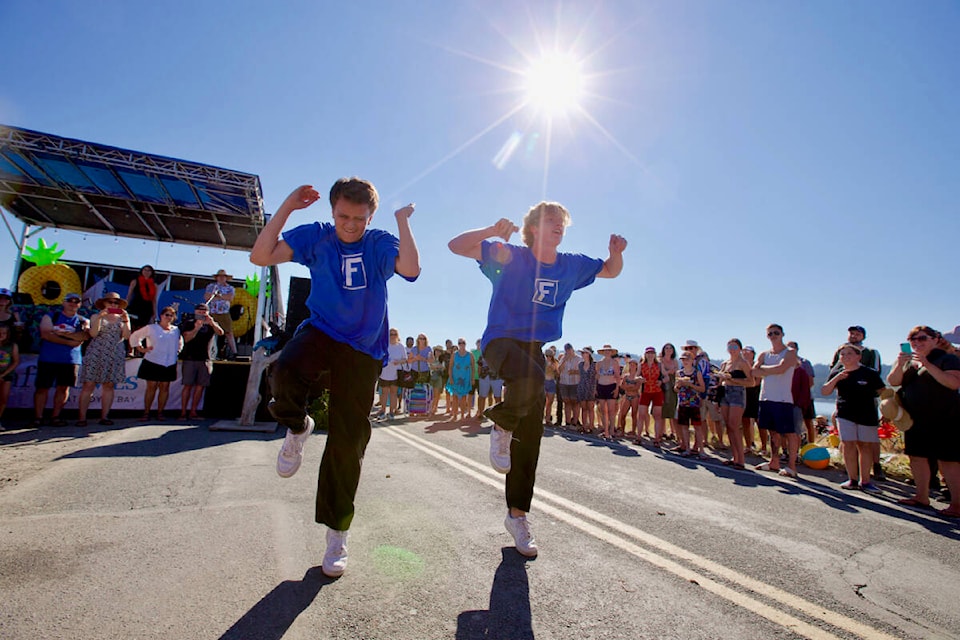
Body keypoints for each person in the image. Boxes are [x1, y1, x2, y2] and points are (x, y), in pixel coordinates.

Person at [250, 179, 419, 578]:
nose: (349, 225)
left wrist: (401, 223)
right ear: (332, 211)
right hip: (323, 330)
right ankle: (296, 426)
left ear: (370, 216)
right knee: (285, 371)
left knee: (348, 442)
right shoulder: (317, 236)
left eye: (359, 219)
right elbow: (261, 256)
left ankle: (337, 532)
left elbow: (411, 269)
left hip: (363, 348)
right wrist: (288, 206)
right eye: (343, 216)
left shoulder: (377, 241)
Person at [448, 200, 626, 557]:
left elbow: (610, 271)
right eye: (550, 221)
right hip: (499, 340)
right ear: (533, 228)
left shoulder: (571, 265)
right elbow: (456, 246)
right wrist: (489, 232)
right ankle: (500, 423)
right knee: (531, 379)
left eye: (562, 222)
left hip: (534, 348)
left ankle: (518, 516)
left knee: (530, 437)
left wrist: (616, 252)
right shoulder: (510, 255)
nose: (558, 225)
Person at [887, 326, 960, 517]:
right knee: (917, 457)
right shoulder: (909, 361)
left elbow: (953, 383)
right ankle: (922, 496)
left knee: (948, 461)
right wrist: (899, 364)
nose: (917, 343)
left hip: (946, 417)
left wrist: (927, 364)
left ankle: (957, 504)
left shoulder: (947, 358)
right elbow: (893, 381)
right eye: (913, 340)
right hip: (915, 418)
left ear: (935, 339)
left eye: (922, 339)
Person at [821, 343, 886, 492]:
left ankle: (866, 481)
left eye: (849, 354)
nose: (845, 357)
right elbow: (825, 391)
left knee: (865, 446)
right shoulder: (837, 373)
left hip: (867, 414)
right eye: (842, 354)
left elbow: (883, 392)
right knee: (848, 445)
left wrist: (886, 411)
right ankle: (852, 479)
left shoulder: (869, 373)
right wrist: (837, 378)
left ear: (858, 356)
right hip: (845, 414)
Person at [31, 292, 89, 427]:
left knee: (63, 389)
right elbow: (45, 333)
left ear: (80, 304)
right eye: (70, 300)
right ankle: (38, 417)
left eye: (77, 301)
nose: (73, 303)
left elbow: (85, 336)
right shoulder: (51, 316)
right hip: (48, 358)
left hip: (70, 360)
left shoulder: (83, 320)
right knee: (42, 388)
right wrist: (70, 340)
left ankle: (56, 416)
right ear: (63, 302)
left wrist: (58, 334)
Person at [76, 292, 132, 427]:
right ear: (104, 304)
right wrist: (100, 317)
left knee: (109, 385)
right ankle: (82, 417)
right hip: (96, 352)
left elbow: (126, 335)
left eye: (116, 303)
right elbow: (93, 334)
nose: (113, 305)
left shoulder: (122, 318)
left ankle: (104, 416)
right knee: (89, 384)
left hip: (114, 353)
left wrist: (126, 320)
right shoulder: (96, 316)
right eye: (110, 302)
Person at [752, 324, 801, 477]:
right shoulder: (764, 354)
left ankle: (792, 466)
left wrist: (764, 369)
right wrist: (771, 369)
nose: (773, 335)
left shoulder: (790, 352)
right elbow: (754, 371)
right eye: (770, 333)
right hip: (766, 397)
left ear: (782, 334)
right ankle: (774, 461)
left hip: (783, 399)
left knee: (789, 433)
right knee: (772, 431)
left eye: (776, 333)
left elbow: (782, 369)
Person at [129, 306, 183, 421]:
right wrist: (141, 348)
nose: (168, 317)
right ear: (161, 316)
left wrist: (177, 351)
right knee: (151, 387)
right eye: (166, 315)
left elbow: (180, 342)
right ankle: (146, 412)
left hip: (169, 362)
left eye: (171, 315)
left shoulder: (176, 330)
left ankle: (160, 412)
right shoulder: (151, 328)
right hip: (153, 360)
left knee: (164, 387)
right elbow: (135, 336)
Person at [177, 302, 224, 420]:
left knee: (200, 386)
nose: (202, 315)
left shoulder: (210, 324)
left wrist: (212, 323)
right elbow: (186, 339)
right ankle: (183, 412)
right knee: (187, 385)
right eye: (199, 312)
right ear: (195, 312)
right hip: (190, 358)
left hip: (205, 358)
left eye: (204, 312)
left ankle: (193, 411)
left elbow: (221, 333)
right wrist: (196, 328)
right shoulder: (189, 323)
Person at [718, 339, 753, 469]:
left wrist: (733, 379)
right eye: (730, 346)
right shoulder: (724, 363)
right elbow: (720, 381)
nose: (732, 349)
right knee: (728, 426)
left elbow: (751, 382)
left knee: (734, 425)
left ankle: (741, 460)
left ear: (739, 348)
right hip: (725, 393)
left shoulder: (743, 363)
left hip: (737, 393)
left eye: (734, 346)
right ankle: (734, 456)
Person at [675, 350, 705, 457]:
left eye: (687, 359)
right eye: (683, 359)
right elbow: (676, 389)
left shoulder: (697, 373)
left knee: (697, 427)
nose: (685, 362)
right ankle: (687, 448)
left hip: (694, 403)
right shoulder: (679, 373)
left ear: (692, 360)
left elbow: (702, 388)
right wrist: (679, 385)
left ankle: (701, 450)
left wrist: (690, 385)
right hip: (683, 403)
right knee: (684, 426)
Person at [787, 340, 817, 445]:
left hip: (806, 397)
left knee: (808, 421)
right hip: (789, 398)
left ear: (797, 349)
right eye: (788, 348)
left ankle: (811, 445)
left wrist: (801, 395)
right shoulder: (783, 362)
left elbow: (810, 382)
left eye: (792, 347)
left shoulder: (805, 362)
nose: (790, 350)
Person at [205, 269, 237, 360]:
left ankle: (235, 352)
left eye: (223, 276)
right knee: (210, 333)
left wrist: (218, 296)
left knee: (228, 332)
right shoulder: (211, 286)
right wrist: (219, 296)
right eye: (220, 276)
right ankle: (208, 352)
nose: (222, 278)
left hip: (224, 312)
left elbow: (229, 298)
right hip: (212, 312)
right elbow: (207, 297)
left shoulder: (230, 288)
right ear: (217, 278)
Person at [376, 328, 407, 420]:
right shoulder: (384, 345)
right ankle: (382, 411)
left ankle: (391, 412)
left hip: (395, 373)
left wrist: (398, 362)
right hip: (384, 372)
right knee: (384, 393)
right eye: (391, 334)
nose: (393, 336)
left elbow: (405, 359)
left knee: (393, 393)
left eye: (394, 334)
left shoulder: (400, 346)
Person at [638, 346, 664, 443]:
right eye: (648, 353)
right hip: (645, 391)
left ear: (655, 354)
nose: (650, 355)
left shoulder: (659, 365)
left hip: (657, 391)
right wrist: (640, 379)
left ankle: (657, 438)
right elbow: (637, 376)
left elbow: (666, 377)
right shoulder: (641, 365)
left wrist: (661, 381)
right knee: (641, 415)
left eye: (652, 353)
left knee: (657, 416)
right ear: (645, 354)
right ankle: (638, 437)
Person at [595, 345, 621, 439]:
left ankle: (611, 430)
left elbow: (618, 376)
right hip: (601, 386)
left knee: (611, 410)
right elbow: (597, 376)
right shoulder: (599, 363)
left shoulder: (614, 363)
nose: (607, 352)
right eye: (605, 351)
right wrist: (595, 388)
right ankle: (605, 430)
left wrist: (617, 388)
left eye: (609, 351)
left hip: (611, 386)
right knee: (603, 410)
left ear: (611, 352)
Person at [447, 338, 475, 421]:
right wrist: (451, 378)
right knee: (454, 397)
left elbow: (473, 367)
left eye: (463, 343)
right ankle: (455, 415)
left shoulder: (470, 355)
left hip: (465, 379)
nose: (461, 344)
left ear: (465, 344)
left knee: (463, 398)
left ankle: (462, 415)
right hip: (455, 378)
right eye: (460, 343)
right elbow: (450, 366)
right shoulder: (454, 354)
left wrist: (472, 378)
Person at [125, 265, 159, 333]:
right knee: (132, 326)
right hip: (136, 306)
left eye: (149, 270)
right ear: (142, 271)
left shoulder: (154, 285)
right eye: (145, 270)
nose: (147, 272)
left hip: (147, 308)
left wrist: (155, 313)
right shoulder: (135, 281)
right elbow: (129, 295)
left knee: (142, 328)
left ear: (152, 272)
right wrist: (125, 306)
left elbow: (154, 300)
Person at [741, 346, 762, 455]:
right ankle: (748, 445)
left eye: (748, 351)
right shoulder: (741, 365)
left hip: (756, 396)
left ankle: (763, 447)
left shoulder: (756, 365)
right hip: (744, 396)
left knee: (760, 422)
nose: (745, 353)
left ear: (753, 353)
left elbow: (757, 382)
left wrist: (743, 382)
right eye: (743, 351)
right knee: (745, 421)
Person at [0, 324, 20, 431]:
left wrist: (3, 375)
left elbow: (15, 361)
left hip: (6, 375)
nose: (1, 335)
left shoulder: (12, 346)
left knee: (3, 398)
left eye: (4, 333)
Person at [617, 359, 642, 442]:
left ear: (636, 366)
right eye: (630, 364)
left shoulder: (638, 378)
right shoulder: (626, 376)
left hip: (635, 397)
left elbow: (636, 388)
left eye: (633, 364)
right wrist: (630, 387)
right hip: (627, 396)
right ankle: (622, 431)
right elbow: (622, 385)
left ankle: (633, 431)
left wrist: (628, 386)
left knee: (634, 415)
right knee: (623, 414)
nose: (632, 366)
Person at [558, 343, 581, 428]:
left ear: (572, 349)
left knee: (575, 403)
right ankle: (567, 422)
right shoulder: (563, 358)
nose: (568, 351)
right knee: (567, 402)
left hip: (575, 382)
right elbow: (559, 370)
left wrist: (574, 371)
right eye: (566, 350)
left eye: (569, 350)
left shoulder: (578, 359)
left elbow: (583, 371)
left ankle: (574, 422)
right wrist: (564, 360)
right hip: (564, 382)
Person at [577, 347, 598, 434]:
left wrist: (596, 389)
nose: (582, 355)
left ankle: (591, 426)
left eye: (584, 353)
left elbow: (596, 377)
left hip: (591, 387)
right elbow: (579, 376)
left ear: (588, 354)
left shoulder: (594, 365)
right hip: (582, 386)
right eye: (582, 353)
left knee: (590, 408)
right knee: (584, 408)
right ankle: (584, 425)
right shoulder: (580, 364)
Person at [660, 343, 679, 440]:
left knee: (672, 407)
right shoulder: (661, 360)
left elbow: (677, 372)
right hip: (663, 385)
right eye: (666, 348)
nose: (668, 350)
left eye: (670, 348)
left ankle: (673, 432)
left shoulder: (675, 361)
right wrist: (668, 372)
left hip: (672, 385)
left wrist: (672, 371)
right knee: (662, 408)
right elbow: (662, 372)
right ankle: (662, 431)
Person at [543, 347, 560, 424]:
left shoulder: (555, 362)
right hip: (544, 382)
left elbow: (558, 373)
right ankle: (541, 417)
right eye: (547, 355)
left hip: (551, 382)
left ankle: (548, 418)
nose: (548, 357)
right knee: (542, 402)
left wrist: (554, 369)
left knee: (549, 402)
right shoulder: (542, 362)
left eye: (550, 356)